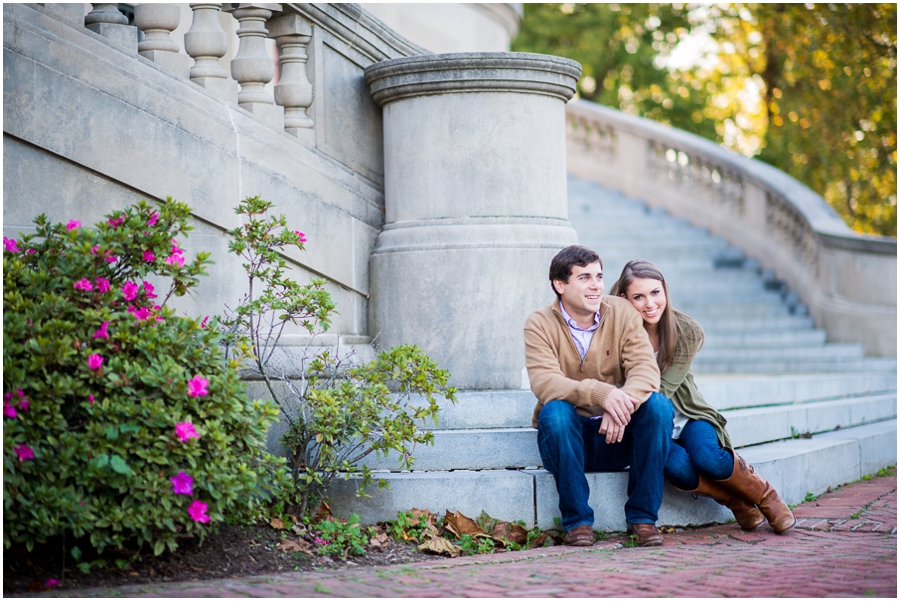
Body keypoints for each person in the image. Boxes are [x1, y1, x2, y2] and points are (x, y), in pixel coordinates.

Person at [610, 259, 796, 534]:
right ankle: (735, 502)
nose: (650, 303)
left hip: (688, 416)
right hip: (648, 425)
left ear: (665, 291)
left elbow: (661, 389)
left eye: (655, 293)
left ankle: (766, 496)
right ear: (624, 298)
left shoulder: (685, 331)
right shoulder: (615, 333)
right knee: (677, 468)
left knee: (708, 456)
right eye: (639, 296)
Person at [524, 245, 673, 547]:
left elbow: (646, 371)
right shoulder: (539, 323)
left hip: (615, 435)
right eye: (584, 278)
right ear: (560, 285)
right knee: (554, 412)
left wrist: (621, 405)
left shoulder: (622, 313)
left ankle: (643, 519)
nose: (596, 285)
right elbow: (545, 383)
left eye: (599, 276)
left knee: (658, 406)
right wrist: (603, 394)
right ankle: (577, 523)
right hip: (569, 438)